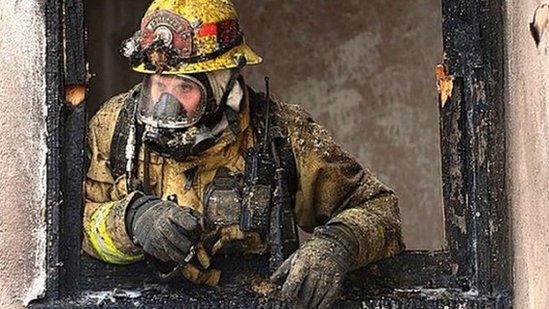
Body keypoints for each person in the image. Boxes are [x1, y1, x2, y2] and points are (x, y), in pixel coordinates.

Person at [83, 0, 404, 307]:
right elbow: (73, 230)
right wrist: (131, 219)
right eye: (159, 84)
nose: (166, 104)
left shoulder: (282, 132)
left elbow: (380, 209)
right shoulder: (115, 126)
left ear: (222, 83)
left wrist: (338, 245)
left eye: (185, 88)